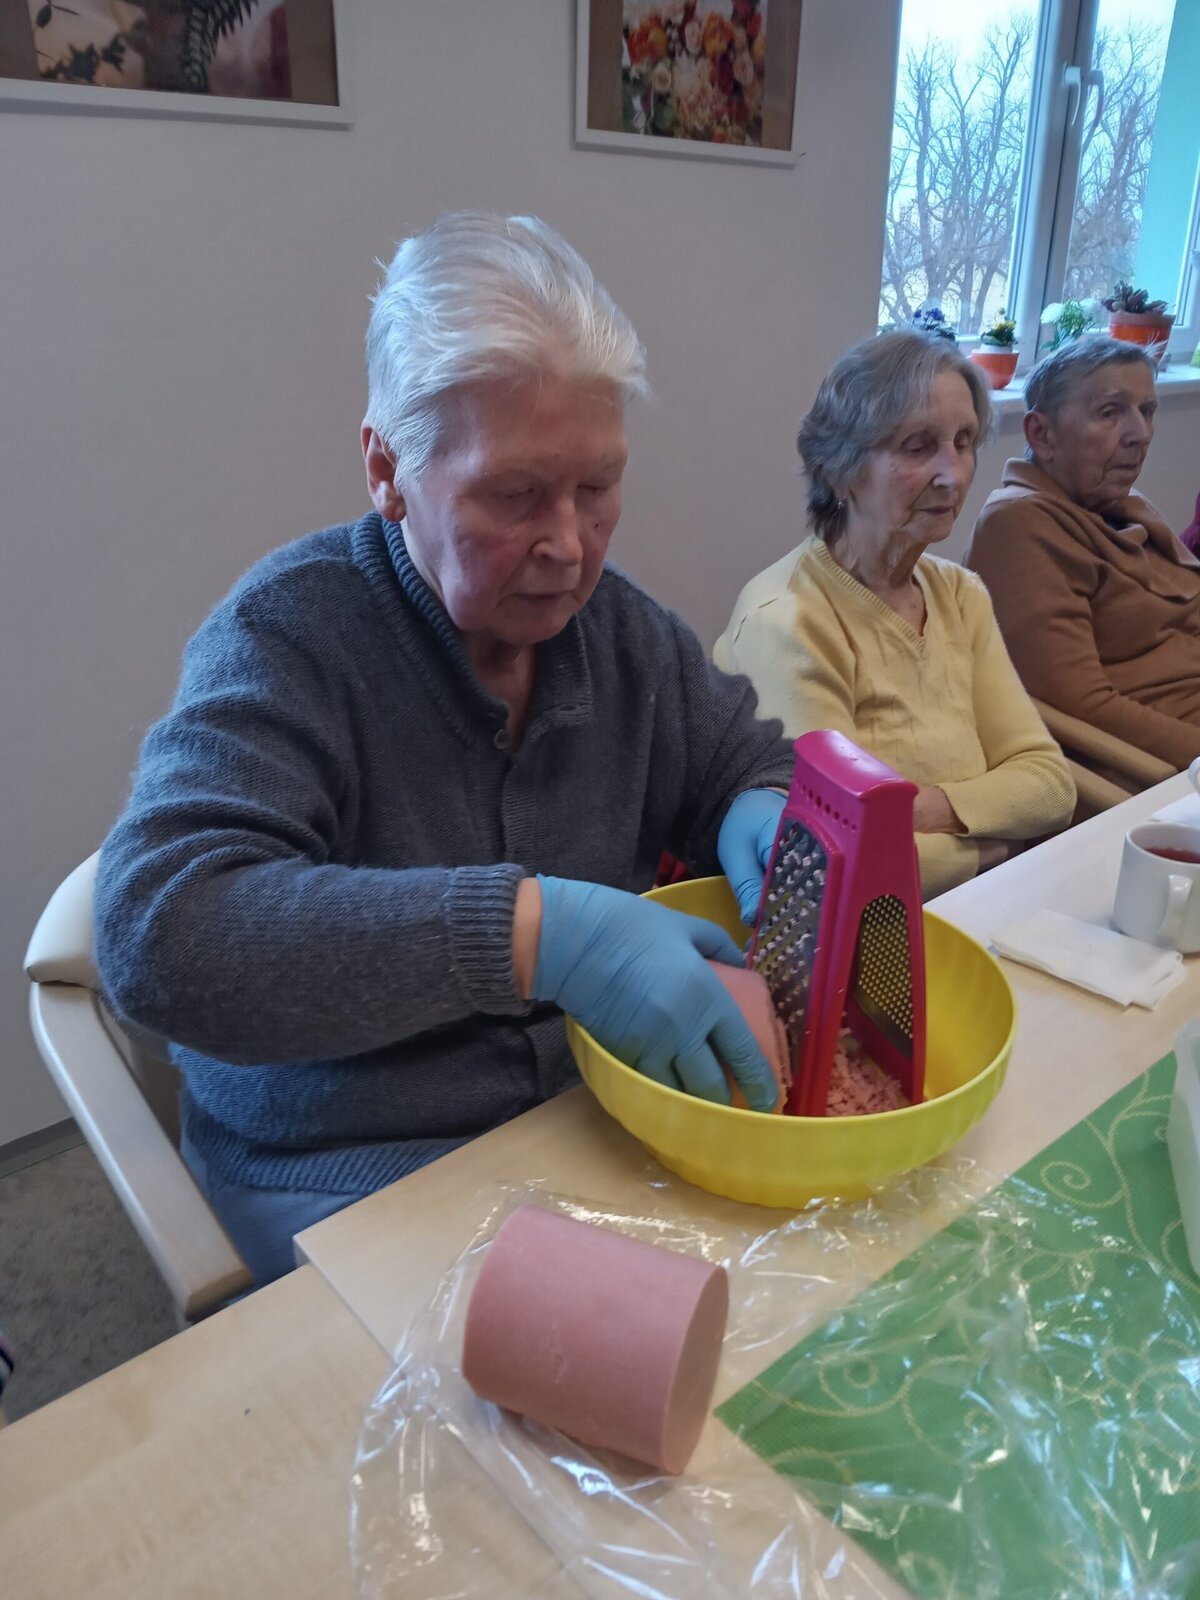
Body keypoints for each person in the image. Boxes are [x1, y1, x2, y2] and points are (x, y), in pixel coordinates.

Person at [94, 213, 795, 1286]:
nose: (569, 545)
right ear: (387, 469)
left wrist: (766, 801)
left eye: (598, 487)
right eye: (514, 495)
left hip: (583, 1122)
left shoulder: (624, 636)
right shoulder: (290, 636)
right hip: (346, 1166)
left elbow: (742, 759)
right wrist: (539, 936)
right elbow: (159, 936)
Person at [715, 330, 1075, 900]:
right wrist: (993, 846)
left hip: (978, 907)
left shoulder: (960, 594)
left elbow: (1050, 785)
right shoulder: (788, 621)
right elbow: (831, 863)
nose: (953, 474)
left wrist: (930, 809)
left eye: (963, 442)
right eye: (917, 447)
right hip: (868, 936)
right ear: (839, 469)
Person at [966, 336, 1200, 770]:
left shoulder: (1124, 503)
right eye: (1110, 412)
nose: (1141, 434)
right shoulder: (1018, 524)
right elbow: (1081, 704)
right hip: (1158, 775)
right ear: (1041, 434)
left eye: (1147, 410)